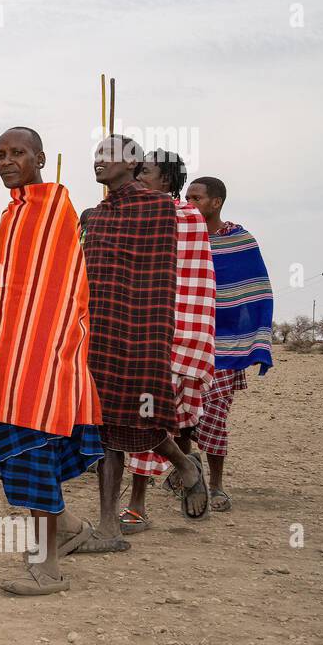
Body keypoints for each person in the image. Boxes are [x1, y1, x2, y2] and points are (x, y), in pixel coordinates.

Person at [0, 128, 103, 594]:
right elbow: (9, 293)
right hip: (9, 354)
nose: (6, 161)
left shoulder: (54, 205)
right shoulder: (14, 212)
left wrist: (47, 348)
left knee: (34, 449)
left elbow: (61, 288)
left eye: (17, 153)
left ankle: (48, 568)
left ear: (39, 157)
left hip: (43, 357)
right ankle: (72, 527)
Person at [85, 136, 208, 554]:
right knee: (107, 427)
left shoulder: (161, 211)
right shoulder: (98, 216)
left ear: (134, 163)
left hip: (144, 331)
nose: (98, 161)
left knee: (142, 417)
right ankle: (108, 526)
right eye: (96, 154)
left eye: (109, 155)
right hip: (101, 331)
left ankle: (183, 463)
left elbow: (165, 273)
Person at [120, 151, 216, 532]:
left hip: (176, 334)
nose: (138, 176)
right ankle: (184, 463)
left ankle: (137, 504)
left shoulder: (188, 220)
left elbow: (195, 284)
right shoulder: (129, 215)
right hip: (134, 329)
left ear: (168, 181)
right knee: (129, 414)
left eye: (146, 172)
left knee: (149, 415)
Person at [184, 175, 274, 512]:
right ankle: (186, 468)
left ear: (216, 202)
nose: (189, 203)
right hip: (188, 339)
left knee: (215, 414)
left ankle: (217, 485)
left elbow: (256, 289)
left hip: (226, 345)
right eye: (187, 197)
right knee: (183, 414)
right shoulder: (182, 239)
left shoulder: (240, 240)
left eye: (196, 198)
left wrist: (255, 338)